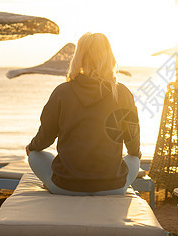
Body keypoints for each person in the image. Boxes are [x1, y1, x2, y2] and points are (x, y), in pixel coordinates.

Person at [26, 32, 141, 195]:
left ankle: (56, 183)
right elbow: (133, 143)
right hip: (113, 187)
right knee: (134, 159)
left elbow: (45, 138)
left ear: (78, 57)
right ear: (110, 57)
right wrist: (130, 156)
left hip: (66, 187)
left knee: (35, 156)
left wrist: (31, 147)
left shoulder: (62, 92)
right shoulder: (122, 93)